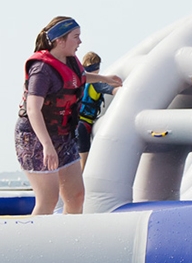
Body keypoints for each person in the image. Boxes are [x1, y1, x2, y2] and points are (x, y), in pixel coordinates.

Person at [16, 18, 123, 216]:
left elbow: (78, 78)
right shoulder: (42, 70)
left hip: (63, 135)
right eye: (76, 37)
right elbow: (33, 110)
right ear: (59, 41)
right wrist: (47, 145)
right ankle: (32, 244)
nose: (80, 42)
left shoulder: (71, 62)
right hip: (36, 138)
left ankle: (67, 242)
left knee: (76, 196)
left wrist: (104, 79)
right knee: (48, 200)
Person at [75, 51, 116, 158]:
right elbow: (113, 91)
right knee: (83, 158)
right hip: (84, 124)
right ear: (98, 66)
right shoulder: (96, 83)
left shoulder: (80, 81)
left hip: (74, 122)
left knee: (74, 157)